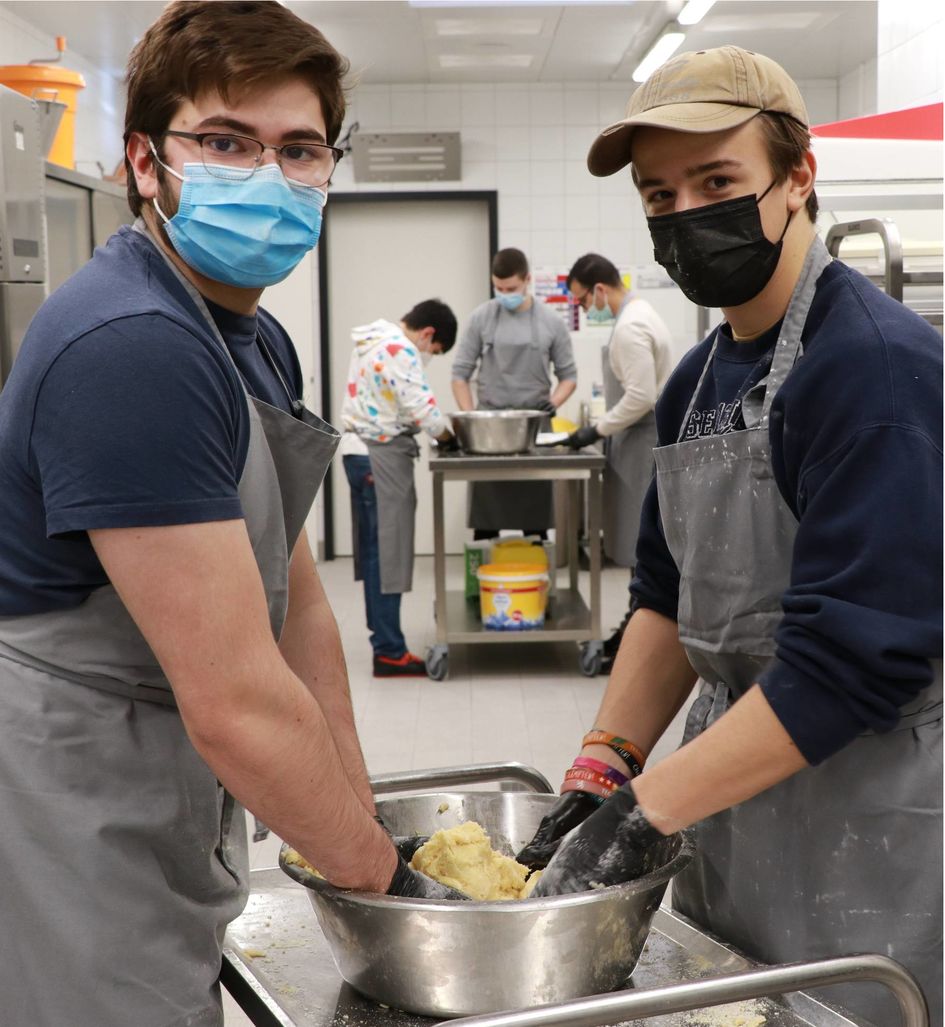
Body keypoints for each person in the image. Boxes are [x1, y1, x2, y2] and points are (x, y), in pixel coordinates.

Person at [0, 4, 462, 1024]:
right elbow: (239, 704)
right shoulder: (133, 347)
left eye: (300, 149)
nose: (267, 175)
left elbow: (297, 606)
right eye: (224, 142)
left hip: (166, 771)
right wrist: (390, 892)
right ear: (145, 162)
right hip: (70, 797)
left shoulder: (253, 340)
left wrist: (357, 813)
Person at [519, 45, 942, 1026]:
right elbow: (666, 596)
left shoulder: (873, 372)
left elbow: (850, 663)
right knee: (745, 1004)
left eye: (717, 181)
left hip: (874, 805)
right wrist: (604, 765)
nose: (685, 215)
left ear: (798, 177)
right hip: (738, 791)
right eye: (659, 196)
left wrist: (647, 810)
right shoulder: (699, 379)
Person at [565, 253, 675, 672]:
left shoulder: (629, 327)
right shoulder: (640, 312)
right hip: (635, 439)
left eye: (581, 300)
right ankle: (632, 636)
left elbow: (640, 396)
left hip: (640, 441)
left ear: (599, 289)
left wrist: (595, 430)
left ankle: (636, 644)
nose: (582, 308)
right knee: (638, 548)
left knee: (638, 546)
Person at [340, 300, 457, 677]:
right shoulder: (399, 348)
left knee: (376, 554)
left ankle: (385, 643)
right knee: (387, 556)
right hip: (381, 456)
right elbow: (421, 408)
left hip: (359, 454)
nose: (429, 356)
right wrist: (449, 436)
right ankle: (389, 651)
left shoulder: (373, 340)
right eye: (434, 351)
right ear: (428, 334)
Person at [451, 247, 577, 538]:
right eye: (499, 288)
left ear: (528, 280)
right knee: (487, 523)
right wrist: (470, 417)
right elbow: (459, 375)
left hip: (534, 431)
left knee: (534, 525)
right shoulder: (481, 318)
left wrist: (553, 403)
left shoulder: (550, 322)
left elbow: (569, 377)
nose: (505, 293)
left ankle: (533, 578)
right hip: (488, 434)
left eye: (512, 288)